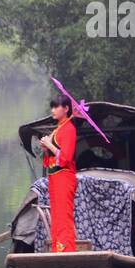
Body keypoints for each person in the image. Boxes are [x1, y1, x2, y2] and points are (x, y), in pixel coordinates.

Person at [39, 93, 78, 252]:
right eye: (52, 107)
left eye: (56, 107)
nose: (53, 110)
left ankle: (67, 251)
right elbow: (51, 160)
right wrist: (46, 149)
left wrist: (50, 144)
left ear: (66, 108)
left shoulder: (69, 129)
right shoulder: (58, 128)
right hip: (55, 178)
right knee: (56, 216)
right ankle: (57, 250)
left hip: (64, 177)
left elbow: (66, 158)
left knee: (64, 216)